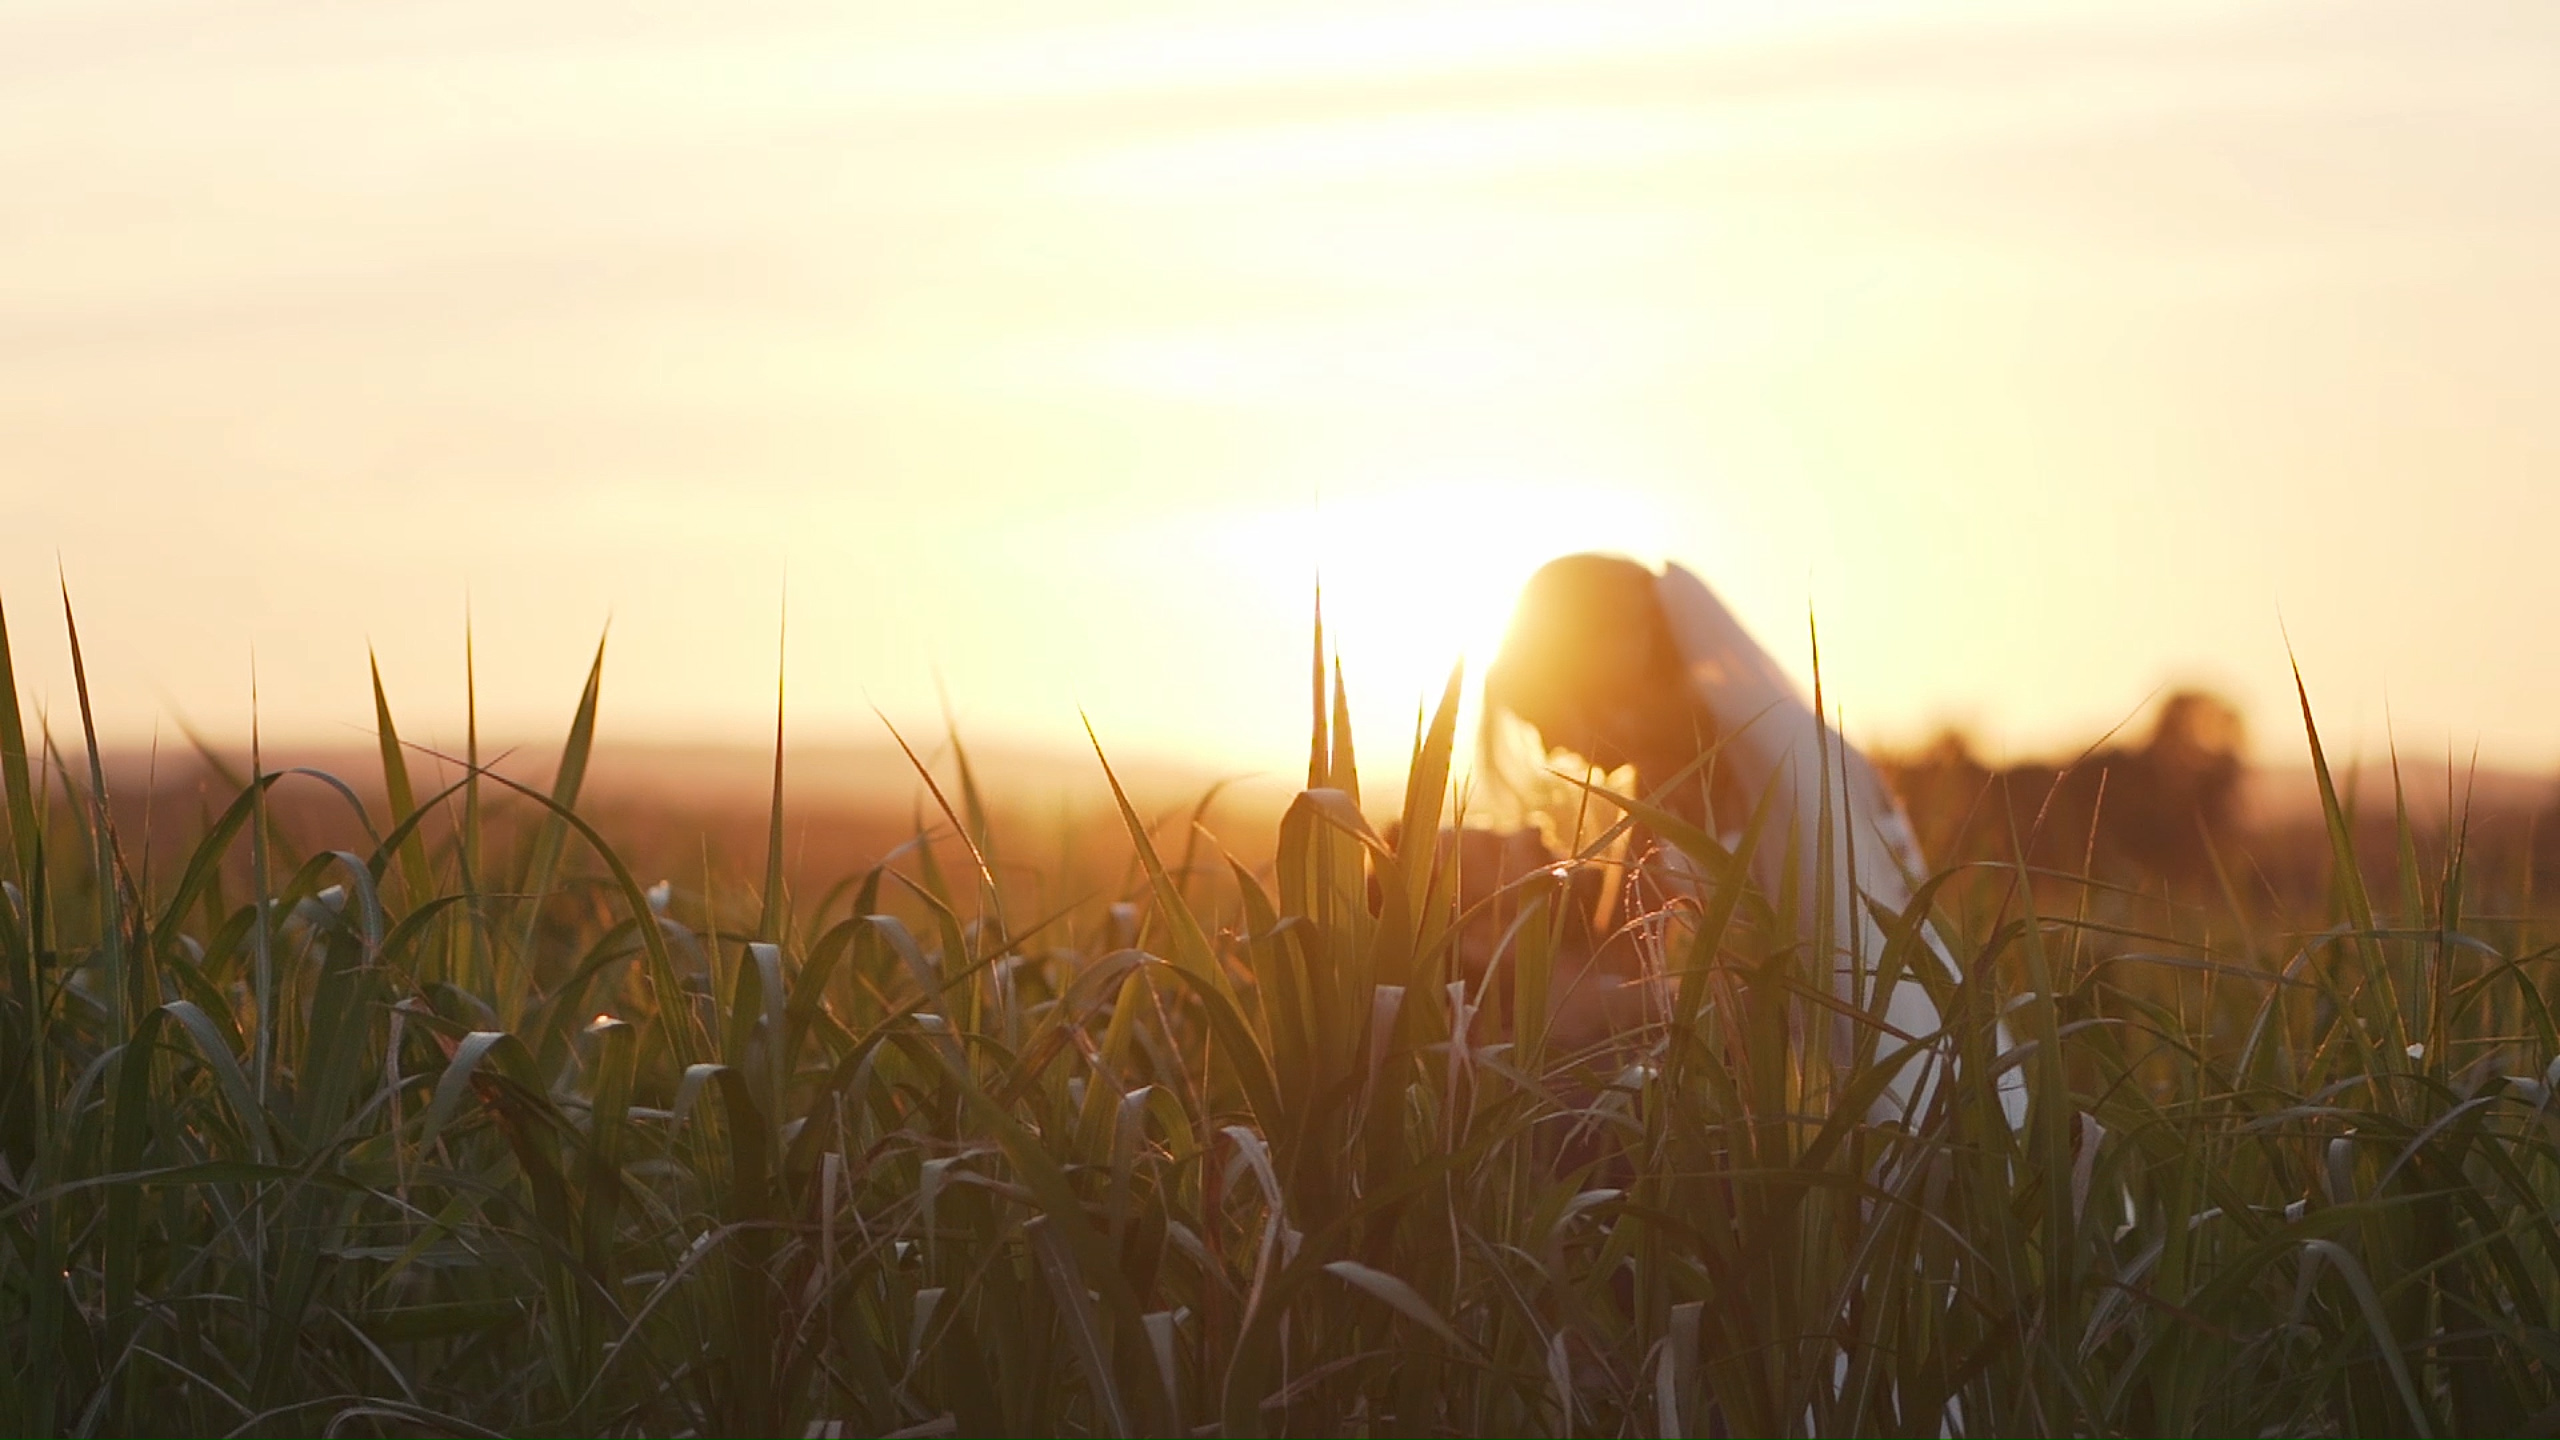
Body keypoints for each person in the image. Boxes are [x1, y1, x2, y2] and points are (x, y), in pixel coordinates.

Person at [1480, 553, 2016, 1127]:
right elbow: (1632, 966)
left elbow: (1819, 980)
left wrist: (1582, 1006)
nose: (1550, 749)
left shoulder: (1786, 766)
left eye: (1541, 717)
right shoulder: (1650, 797)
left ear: (1594, 676)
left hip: (1866, 1087)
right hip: (1742, 1099)